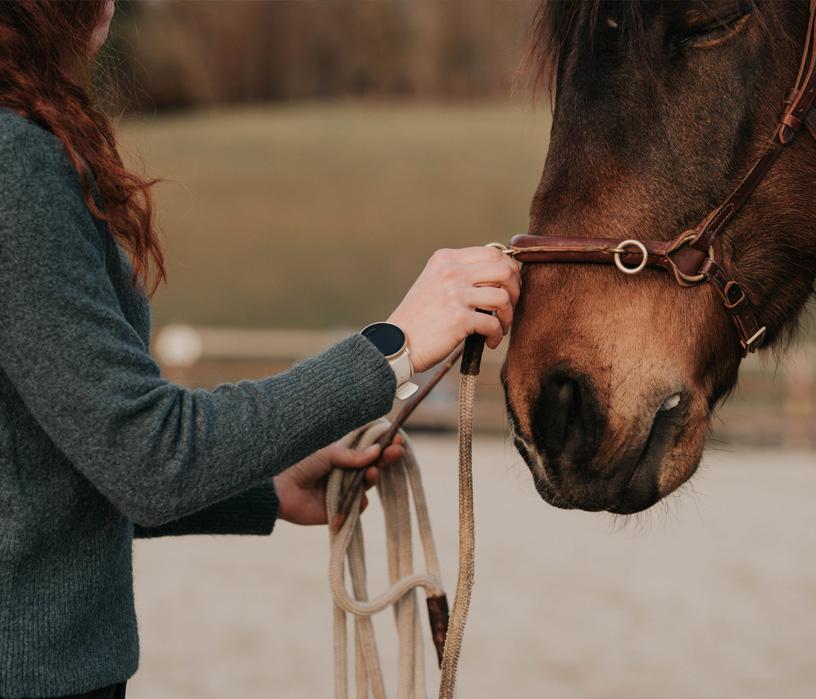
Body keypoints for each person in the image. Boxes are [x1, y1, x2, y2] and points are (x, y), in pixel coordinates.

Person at [0, 3, 520, 698]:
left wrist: (265, 491)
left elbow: (58, 461)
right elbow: (147, 455)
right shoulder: (14, 164)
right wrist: (391, 348)